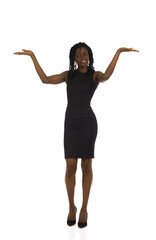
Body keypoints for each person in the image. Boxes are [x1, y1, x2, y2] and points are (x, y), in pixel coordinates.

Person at [13, 42, 139, 228]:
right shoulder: (68, 76)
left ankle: (84, 209)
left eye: (85, 52)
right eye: (78, 53)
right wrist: (32, 56)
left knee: (86, 165)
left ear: (89, 56)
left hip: (88, 124)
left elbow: (107, 75)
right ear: (74, 57)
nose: (82, 55)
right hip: (71, 124)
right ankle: (71, 207)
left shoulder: (94, 76)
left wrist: (118, 52)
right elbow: (45, 79)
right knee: (70, 166)